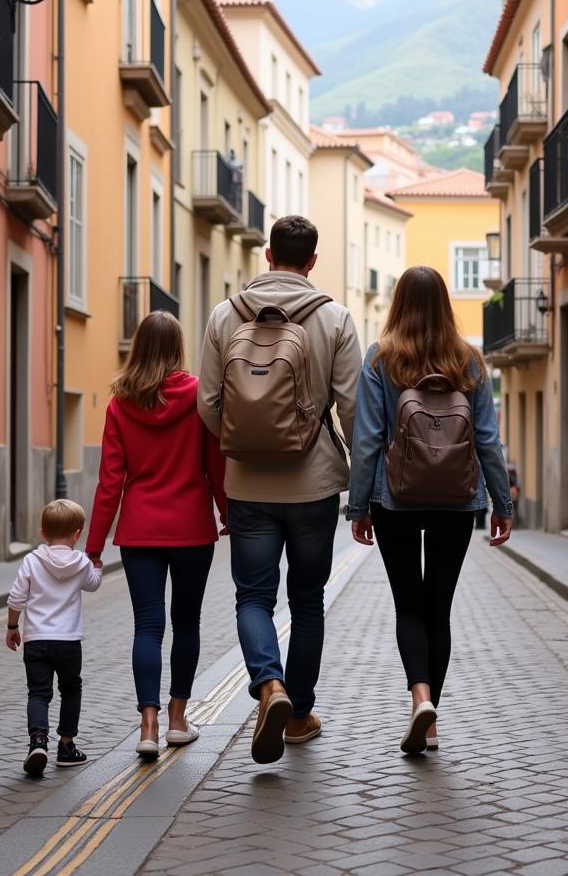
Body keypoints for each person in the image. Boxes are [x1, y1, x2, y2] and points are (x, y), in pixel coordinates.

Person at [198, 215, 362, 765]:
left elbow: (207, 402)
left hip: (247, 482)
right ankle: (297, 717)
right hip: (313, 482)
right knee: (308, 601)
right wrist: (361, 484)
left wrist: (241, 441)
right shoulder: (334, 318)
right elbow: (354, 407)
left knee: (253, 596)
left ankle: (269, 684)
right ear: (312, 261)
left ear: (267, 254)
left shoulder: (226, 315)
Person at [346, 266, 514, 755]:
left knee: (408, 605)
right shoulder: (470, 362)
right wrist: (501, 504)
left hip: (394, 498)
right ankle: (431, 719)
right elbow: (487, 439)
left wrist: (359, 506)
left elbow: (369, 437)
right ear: (445, 304)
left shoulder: (382, 358)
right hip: (458, 500)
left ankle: (419, 697)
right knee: (438, 608)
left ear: (398, 304)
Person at [86, 311, 226, 760]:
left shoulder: (119, 403)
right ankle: (177, 719)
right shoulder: (200, 399)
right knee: (186, 623)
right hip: (191, 528)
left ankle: (146, 725)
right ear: (178, 348)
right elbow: (215, 465)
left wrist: (92, 548)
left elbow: (110, 481)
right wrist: (227, 513)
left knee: (147, 626)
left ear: (139, 347)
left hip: (140, 530)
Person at [6, 499, 103, 777]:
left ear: (42, 532)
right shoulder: (82, 562)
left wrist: (13, 627)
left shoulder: (31, 561)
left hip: (37, 640)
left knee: (38, 693)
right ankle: (66, 746)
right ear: (77, 534)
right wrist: (96, 565)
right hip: (69, 642)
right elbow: (93, 585)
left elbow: (16, 598)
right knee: (71, 690)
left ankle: (37, 741)